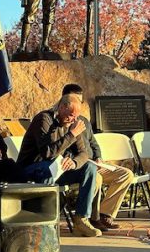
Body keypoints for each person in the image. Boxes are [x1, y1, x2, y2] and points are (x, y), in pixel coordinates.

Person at [17, 85, 100, 237]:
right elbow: (47, 152)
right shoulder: (44, 119)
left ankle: (81, 218)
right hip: (32, 169)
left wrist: (74, 163)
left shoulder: (74, 121)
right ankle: (45, 221)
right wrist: (72, 134)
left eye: (76, 116)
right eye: (70, 115)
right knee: (49, 167)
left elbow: (84, 153)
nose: (73, 120)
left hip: (57, 169)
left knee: (89, 168)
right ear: (61, 107)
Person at [72, 86, 135, 232]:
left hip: (95, 162)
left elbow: (94, 143)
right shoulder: (61, 121)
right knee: (96, 177)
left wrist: (99, 157)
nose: (78, 106)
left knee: (126, 174)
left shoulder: (84, 121)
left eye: (80, 102)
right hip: (80, 166)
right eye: (75, 101)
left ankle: (105, 214)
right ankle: (92, 219)